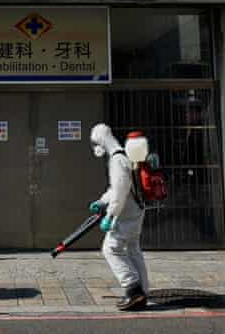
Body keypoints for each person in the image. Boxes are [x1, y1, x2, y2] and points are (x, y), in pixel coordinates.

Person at [89, 123, 149, 311]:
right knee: (133, 249)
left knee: (111, 249)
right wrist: (101, 201)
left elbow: (120, 192)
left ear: (100, 141)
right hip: (136, 210)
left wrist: (110, 215)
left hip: (126, 215)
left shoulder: (117, 160)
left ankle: (132, 289)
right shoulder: (124, 155)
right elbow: (116, 189)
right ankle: (143, 291)